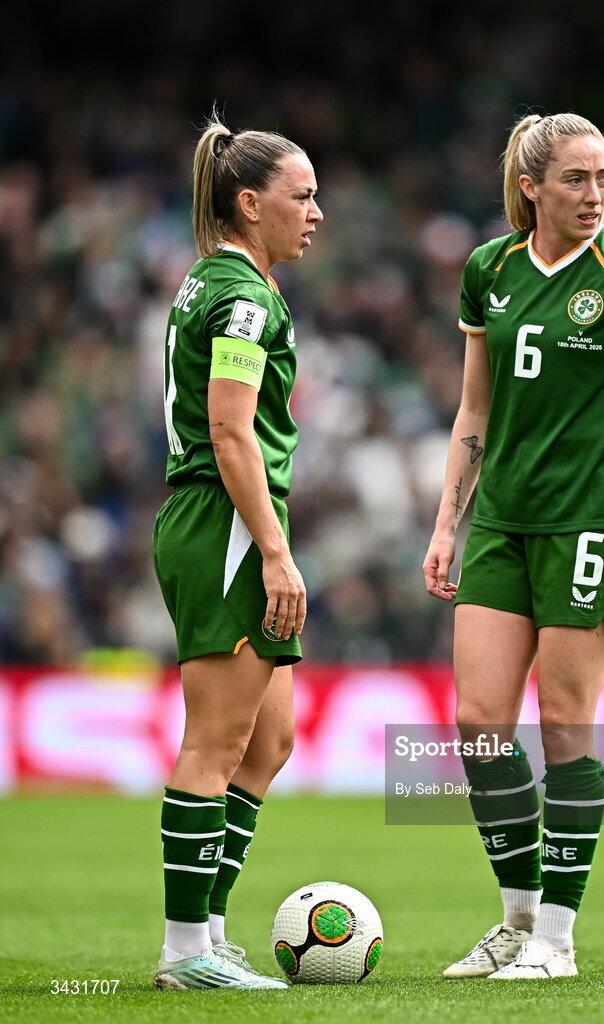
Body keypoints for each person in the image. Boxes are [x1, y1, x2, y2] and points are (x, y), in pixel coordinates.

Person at [423, 112, 604, 980]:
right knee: (477, 726)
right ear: (530, 187)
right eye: (577, 180)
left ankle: (556, 937)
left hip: (592, 521)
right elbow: (474, 409)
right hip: (504, 520)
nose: (595, 196)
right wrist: (447, 521)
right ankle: (514, 921)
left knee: (564, 725)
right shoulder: (488, 272)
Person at [151, 113, 323, 989]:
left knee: (270, 741)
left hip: (221, 519)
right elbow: (228, 428)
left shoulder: (214, 282)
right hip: (224, 522)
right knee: (215, 742)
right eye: (302, 196)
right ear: (249, 204)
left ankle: (209, 934)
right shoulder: (245, 296)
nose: (316, 213)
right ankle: (186, 954)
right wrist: (273, 549)